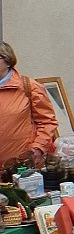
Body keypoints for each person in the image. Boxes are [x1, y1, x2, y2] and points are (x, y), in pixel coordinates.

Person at [0, 42, 58, 176]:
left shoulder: (29, 87)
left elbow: (47, 122)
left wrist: (37, 148)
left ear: (8, 61)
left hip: (21, 168)